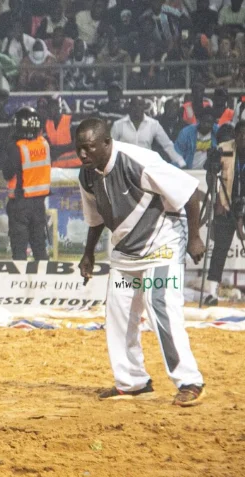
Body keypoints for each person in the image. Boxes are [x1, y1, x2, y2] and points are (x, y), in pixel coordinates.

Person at [76, 117, 206, 407]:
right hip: (124, 251)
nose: (83, 154)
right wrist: (87, 254)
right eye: (79, 149)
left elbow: (191, 192)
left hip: (162, 244)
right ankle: (132, 381)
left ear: (107, 143)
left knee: (159, 302)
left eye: (89, 148)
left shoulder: (139, 161)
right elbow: (96, 219)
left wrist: (195, 237)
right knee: (119, 312)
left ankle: (190, 381)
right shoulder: (86, 175)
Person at [1, 107, 51, 261]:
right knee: (39, 249)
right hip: (39, 204)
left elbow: (7, 173)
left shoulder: (17, 147)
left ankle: (19, 283)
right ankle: (44, 281)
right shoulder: (44, 144)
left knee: (19, 250)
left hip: (20, 203)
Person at [202, 124, 242, 306]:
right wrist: (212, 167)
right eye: (241, 135)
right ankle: (212, 293)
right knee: (219, 251)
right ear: (235, 135)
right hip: (226, 205)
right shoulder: (224, 149)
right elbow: (210, 177)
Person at [111, 96, 186, 167]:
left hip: (146, 167)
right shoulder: (118, 125)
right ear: (130, 107)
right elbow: (110, 147)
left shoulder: (153, 124)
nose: (137, 108)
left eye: (140, 105)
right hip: (125, 167)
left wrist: (180, 162)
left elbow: (167, 145)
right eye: (134, 105)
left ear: (144, 107)